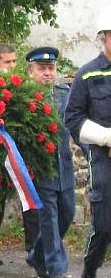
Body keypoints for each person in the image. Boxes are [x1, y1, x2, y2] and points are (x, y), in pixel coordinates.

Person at [0, 44, 41, 266]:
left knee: (29, 198)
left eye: (14, 61)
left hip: (19, 152)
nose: (12, 66)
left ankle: (33, 249)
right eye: (7, 62)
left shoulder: (22, 86)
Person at [64, 16, 111, 278]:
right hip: (103, 155)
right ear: (104, 37)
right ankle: (90, 270)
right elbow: (72, 118)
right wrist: (105, 136)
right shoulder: (88, 73)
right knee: (104, 225)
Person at [24, 47, 75, 278]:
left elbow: (76, 124)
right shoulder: (24, 98)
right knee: (50, 220)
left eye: (51, 68)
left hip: (64, 167)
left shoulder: (65, 93)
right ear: (31, 71)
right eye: (42, 69)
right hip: (40, 169)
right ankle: (57, 270)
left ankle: (36, 255)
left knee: (68, 214)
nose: (47, 73)